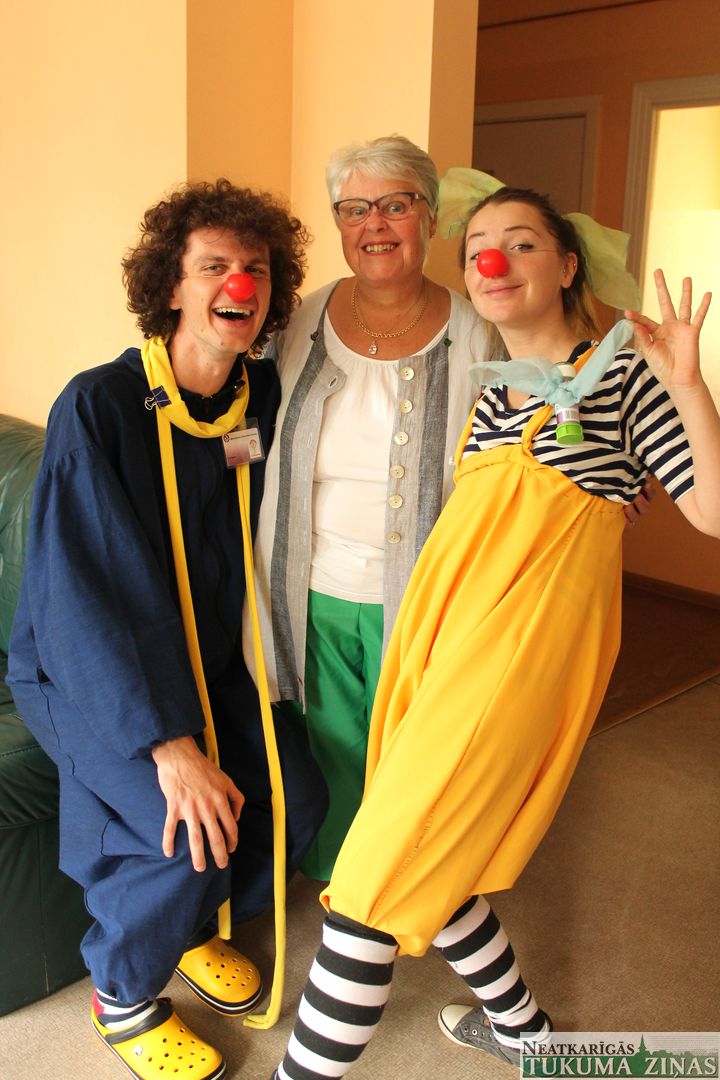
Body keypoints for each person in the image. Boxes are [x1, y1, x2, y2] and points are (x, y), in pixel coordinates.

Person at [268, 172, 719, 1080]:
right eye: (480, 248)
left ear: (566, 265)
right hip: (443, 645)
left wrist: (687, 385)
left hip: (517, 656)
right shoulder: (497, 389)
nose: (493, 261)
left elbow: (712, 512)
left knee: (372, 879)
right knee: (438, 846)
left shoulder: (622, 374)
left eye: (521, 244)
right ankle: (527, 1035)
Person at [6, 179, 326, 1080]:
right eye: (213, 265)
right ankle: (121, 993)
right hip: (90, 675)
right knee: (188, 828)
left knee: (296, 801)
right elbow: (81, 598)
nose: (238, 282)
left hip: (209, 662)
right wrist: (168, 744)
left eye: (255, 267)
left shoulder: (257, 393)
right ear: (173, 285)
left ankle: (189, 931)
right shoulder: (101, 405)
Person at [246, 135, 490, 881]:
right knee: (327, 746)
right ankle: (341, 890)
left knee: (412, 751)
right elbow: (245, 421)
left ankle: (399, 886)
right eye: (354, 209)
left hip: (422, 593)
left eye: (395, 204)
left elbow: (526, 446)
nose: (374, 224)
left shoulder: (479, 331)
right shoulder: (299, 320)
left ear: (432, 217)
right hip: (306, 582)